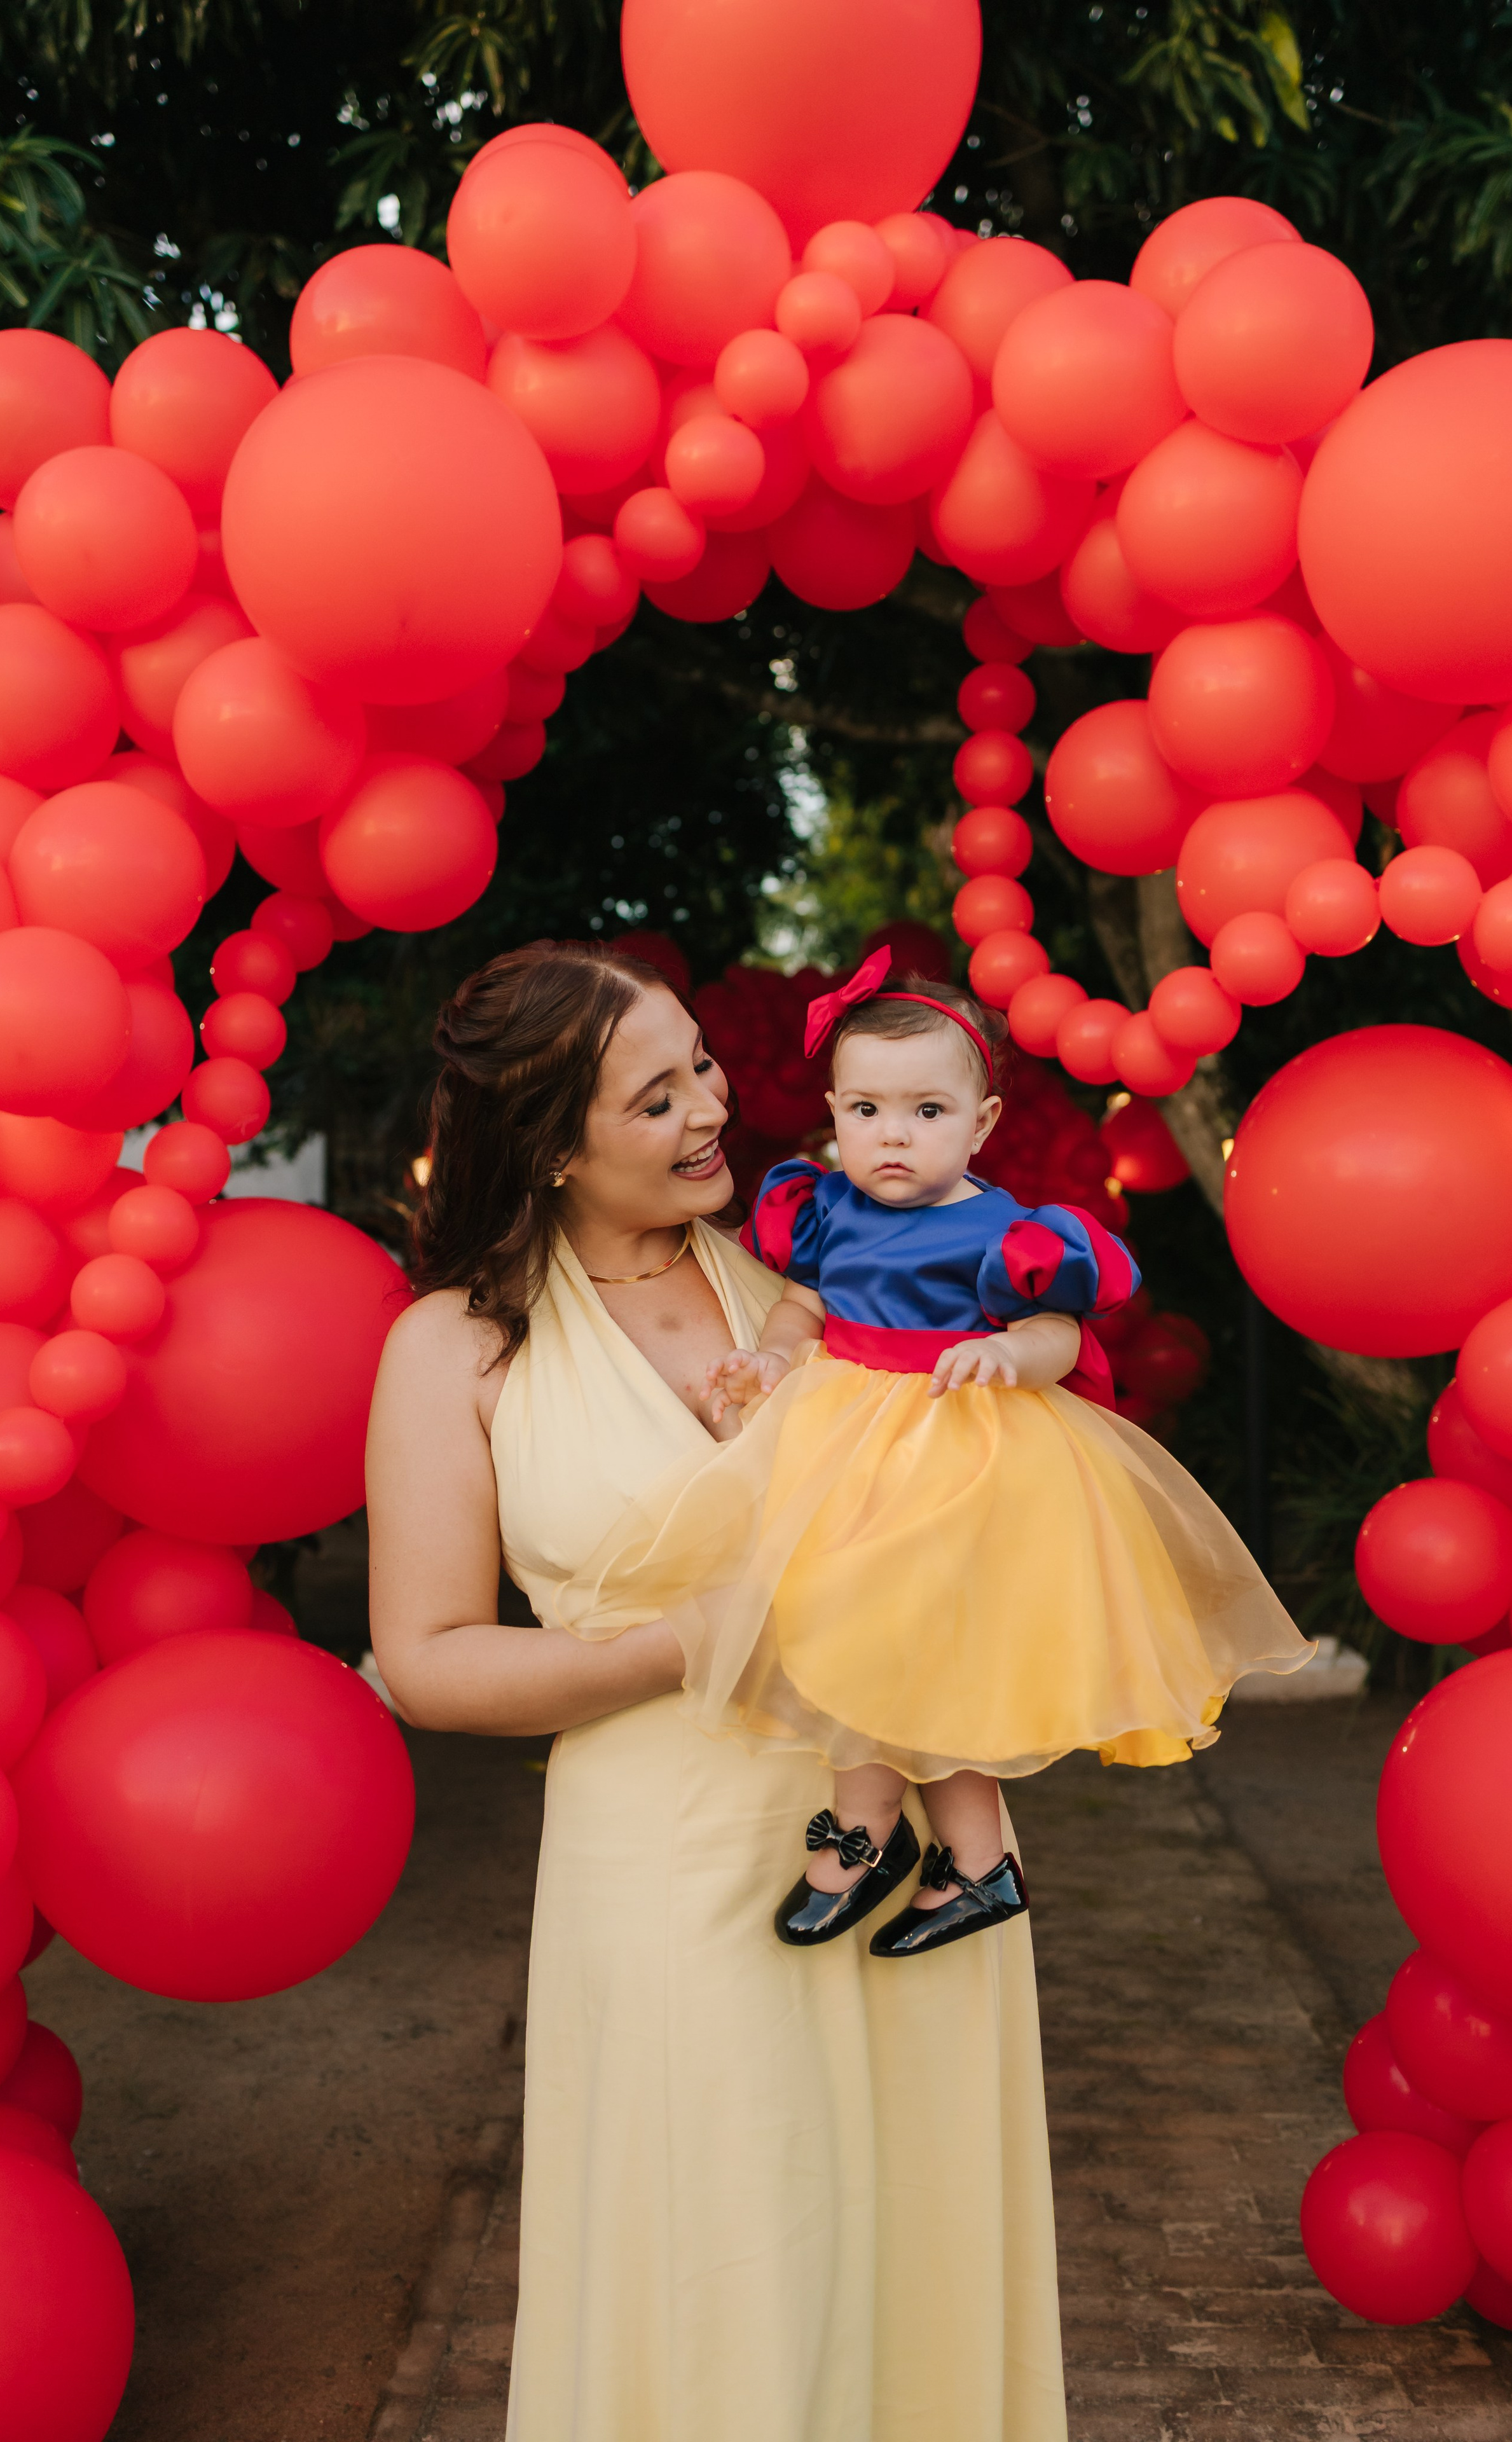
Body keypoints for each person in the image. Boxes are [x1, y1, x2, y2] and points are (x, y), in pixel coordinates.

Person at [366, 940, 1069, 2442]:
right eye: (655, 1096)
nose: (709, 1109)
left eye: (699, 1064)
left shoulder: (823, 1274)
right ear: (551, 1147)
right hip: (670, 1858)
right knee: (725, 2272)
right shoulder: (452, 1349)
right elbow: (427, 1661)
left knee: (916, 2263)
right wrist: (689, 1639)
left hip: (896, 1846)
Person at [553, 949, 1314, 1961]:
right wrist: (770, 1360)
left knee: (923, 1655)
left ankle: (882, 1842)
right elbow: (803, 1309)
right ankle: (957, 1859)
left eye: (927, 1112)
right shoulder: (826, 1209)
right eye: (868, 1111)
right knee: (859, 1640)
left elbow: (1060, 1336)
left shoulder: (1007, 1232)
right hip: (847, 1443)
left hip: (962, 1451)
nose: (895, 1136)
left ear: (981, 1122)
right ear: (835, 1112)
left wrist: (1008, 1355)